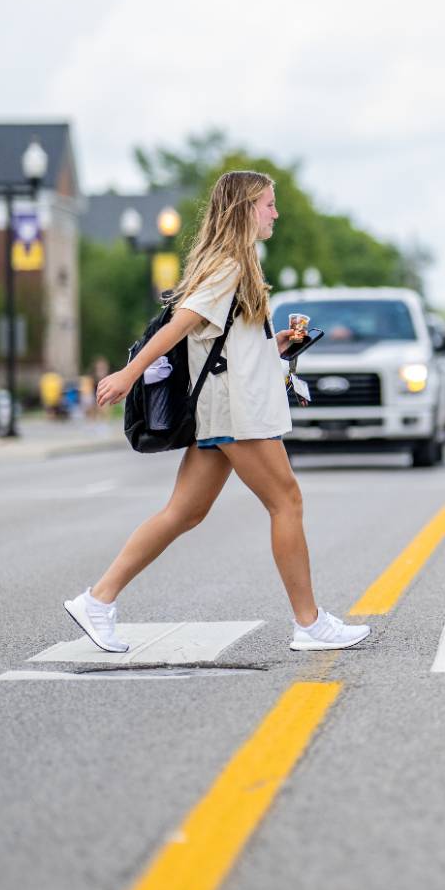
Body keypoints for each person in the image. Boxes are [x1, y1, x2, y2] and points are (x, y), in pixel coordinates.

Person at [70, 170, 371, 653]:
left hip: (226, 407)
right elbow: (180, 325)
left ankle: (98, 600)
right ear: (245, 209)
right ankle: (310, 624)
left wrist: (275, 344)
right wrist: (128, 374)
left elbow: (222, 344)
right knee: (286, 501)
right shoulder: (227, 266)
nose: (275, 213)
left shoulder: (234, 264)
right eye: (268, 204)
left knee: (184, 513)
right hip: (236, 412)